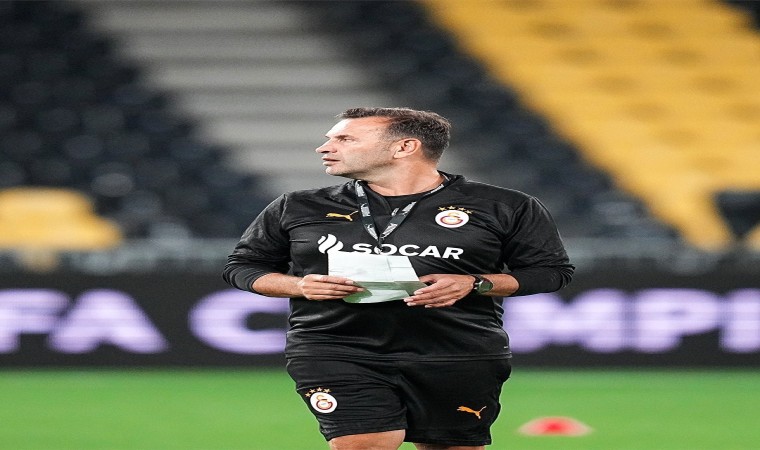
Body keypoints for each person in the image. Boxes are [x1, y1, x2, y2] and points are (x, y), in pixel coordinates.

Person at [223, 107, 574, 450]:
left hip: (456, 353)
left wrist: (475, 283)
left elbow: (551, 272)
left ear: (404, 147)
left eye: (345, 139)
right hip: (336, 348)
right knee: (364, 443)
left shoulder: (504, 206)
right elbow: (243, 266)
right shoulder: (298, 206)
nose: (324, 147)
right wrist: (299, 285)